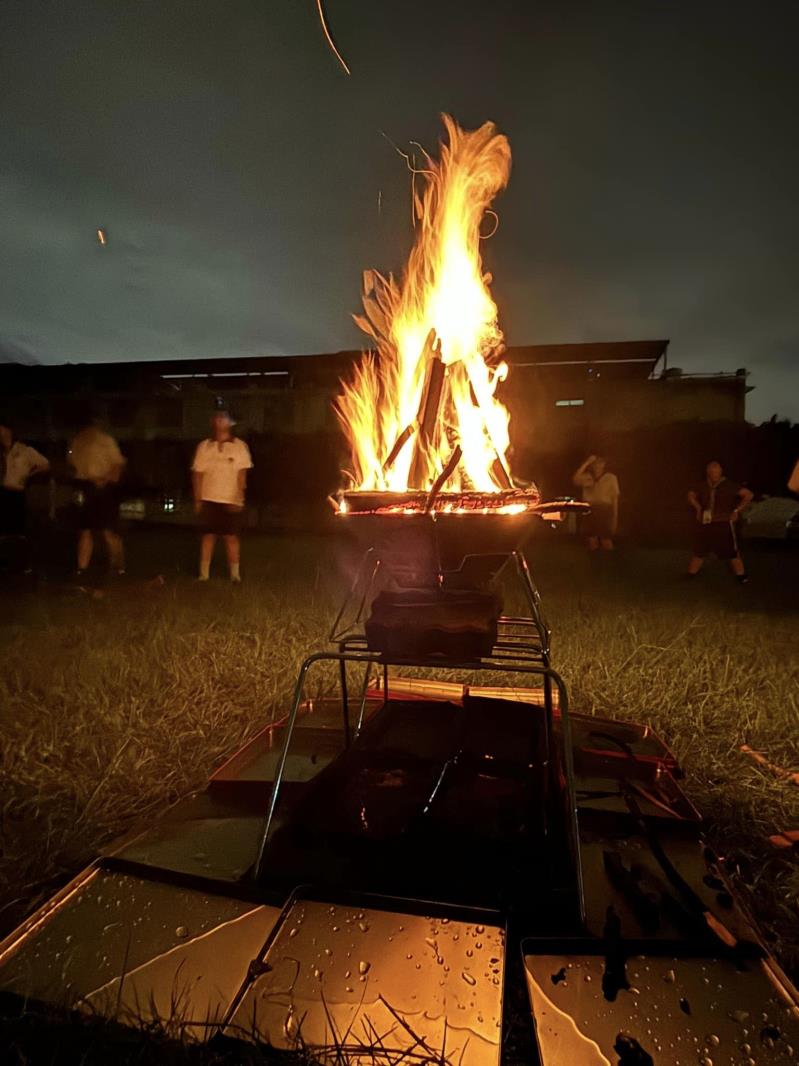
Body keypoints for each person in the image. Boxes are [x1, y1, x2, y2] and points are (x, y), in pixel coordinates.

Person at [192, 408, 253, 583]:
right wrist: (197, 500)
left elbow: (242, 475)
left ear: (230, 423)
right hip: (209, 498)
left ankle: (235, 575)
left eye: (224, 418)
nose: (220, 421)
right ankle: (204, 575)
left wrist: (239, 498)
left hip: (230, 499)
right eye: (217, 418)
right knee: (208, 536)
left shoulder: (239, 446)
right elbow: (197, 474)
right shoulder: (204, 446)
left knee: (231, 537)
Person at [68, 419, 127, 578]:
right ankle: (82, 568)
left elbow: (118, 464)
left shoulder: (106, 441)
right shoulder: (78, 441)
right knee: (85, 530)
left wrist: (106, 481)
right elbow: (72, 463)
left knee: (109, 530)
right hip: (85, 486)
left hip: (104, 487)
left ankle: (118, 566)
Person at [686, 460, 753, 583]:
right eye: (711, 470)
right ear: (707, 472)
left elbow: (748, 495)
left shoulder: (729, 485)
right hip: (706, 522)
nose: (713, 473)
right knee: (700, 550)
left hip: (724, 522)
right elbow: (690, 494)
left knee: (731, 551)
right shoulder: (702, 485)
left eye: (716, 470)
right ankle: (690, 574)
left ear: (721, 471)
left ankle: (741, 576)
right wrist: (698, 508)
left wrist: (737, 510)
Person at [0, 422, 50, 570]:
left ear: (10, 432)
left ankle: (22, 563)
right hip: (2, 492)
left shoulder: (24, 450)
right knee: (3, 530)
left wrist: (29, 476)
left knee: (19, 530)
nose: (2, 436)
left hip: (17, 492)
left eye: (3, 432)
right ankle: (5, 562)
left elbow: (45, 464)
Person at [572, 454, 620, 551]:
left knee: (606, 541)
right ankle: (594, 561)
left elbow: (615, 499)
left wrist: (614, 518)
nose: (598, 466)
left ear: (604, 465)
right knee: (591, 540)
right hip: (590, 510)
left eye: (600, 463)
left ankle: (609, 562)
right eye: (596, 464)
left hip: (604, 511)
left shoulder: (610, 478)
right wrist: (587, 463)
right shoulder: (587, 478)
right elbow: (575, 479)